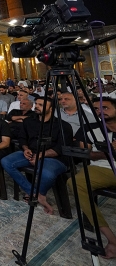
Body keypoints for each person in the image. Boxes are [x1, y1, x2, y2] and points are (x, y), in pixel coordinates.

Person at [1, 97, 73, 214]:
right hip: (31, 152)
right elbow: (22, 138)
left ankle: (40, 194)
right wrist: (25, 149)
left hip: (53, 157)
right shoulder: (29, 121)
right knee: (6, 161)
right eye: (36, 104)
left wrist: (40, 155)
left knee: (47, 174)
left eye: (41, 105)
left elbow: (61, 148)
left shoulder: (63, 126)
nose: (36, 107)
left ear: (51, 108)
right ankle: (33, 192)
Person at [71, 96, 116, 259]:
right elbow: (87, 153)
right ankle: (111, 239)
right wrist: (108, 152)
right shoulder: (90, 128)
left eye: (105, 108)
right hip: (103, 167)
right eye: (96, 109)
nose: (100, 112)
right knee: (75, 183)